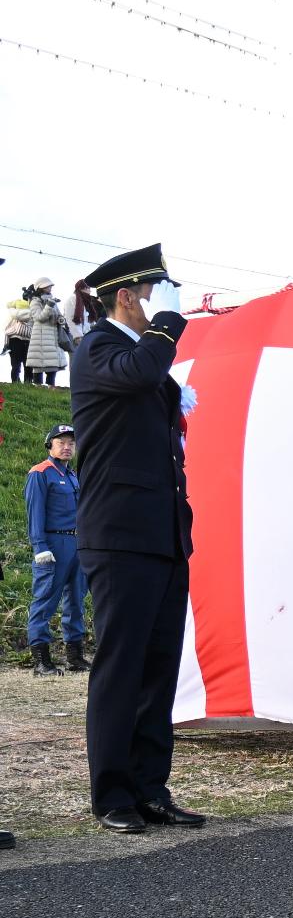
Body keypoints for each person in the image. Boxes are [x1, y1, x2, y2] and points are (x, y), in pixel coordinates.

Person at [69, 244, 199, 835]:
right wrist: (169, 328)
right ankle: (113, 795)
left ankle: (150, 788)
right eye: (151, 296)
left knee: (157, 669)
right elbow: (140, 372)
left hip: (163, 534)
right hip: (120, 535)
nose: (158, 306)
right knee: (121, 669)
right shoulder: (97, 346)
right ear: (126, 295)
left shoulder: (144, 360)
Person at [26, 422, 89, 676]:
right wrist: (39, 545)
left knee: (76, 600)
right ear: (50, 445)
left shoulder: (73, 475)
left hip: (77, 543)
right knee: (45, 600)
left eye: (71, 442)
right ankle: (42, 660)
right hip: (53, 544)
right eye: (61, 442)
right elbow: (35, 513)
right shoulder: (40, 473)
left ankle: (75, 656)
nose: (67, 447)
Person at [25, 276, 68, 386]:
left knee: (52, 364)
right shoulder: (35, 301)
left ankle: (51, 388)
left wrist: (62, 320)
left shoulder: (51, 300)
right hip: (40, 336)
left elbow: (58, 315)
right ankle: (38, 387)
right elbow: (39, 318)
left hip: (53, 335)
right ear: (41, 287)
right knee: (38, 364)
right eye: (48, 285)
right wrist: (49, 305)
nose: (50, 287)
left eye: (50, 286)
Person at [4, 292, 28, 383]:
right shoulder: (14, 315)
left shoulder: (13, 314)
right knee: (22, 364)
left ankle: (20, 382)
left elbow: (7, 329)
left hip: (16, 340)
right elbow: (7, 329)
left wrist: (6, 344)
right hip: (19, 340)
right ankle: (23, 382)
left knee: (18, 364)